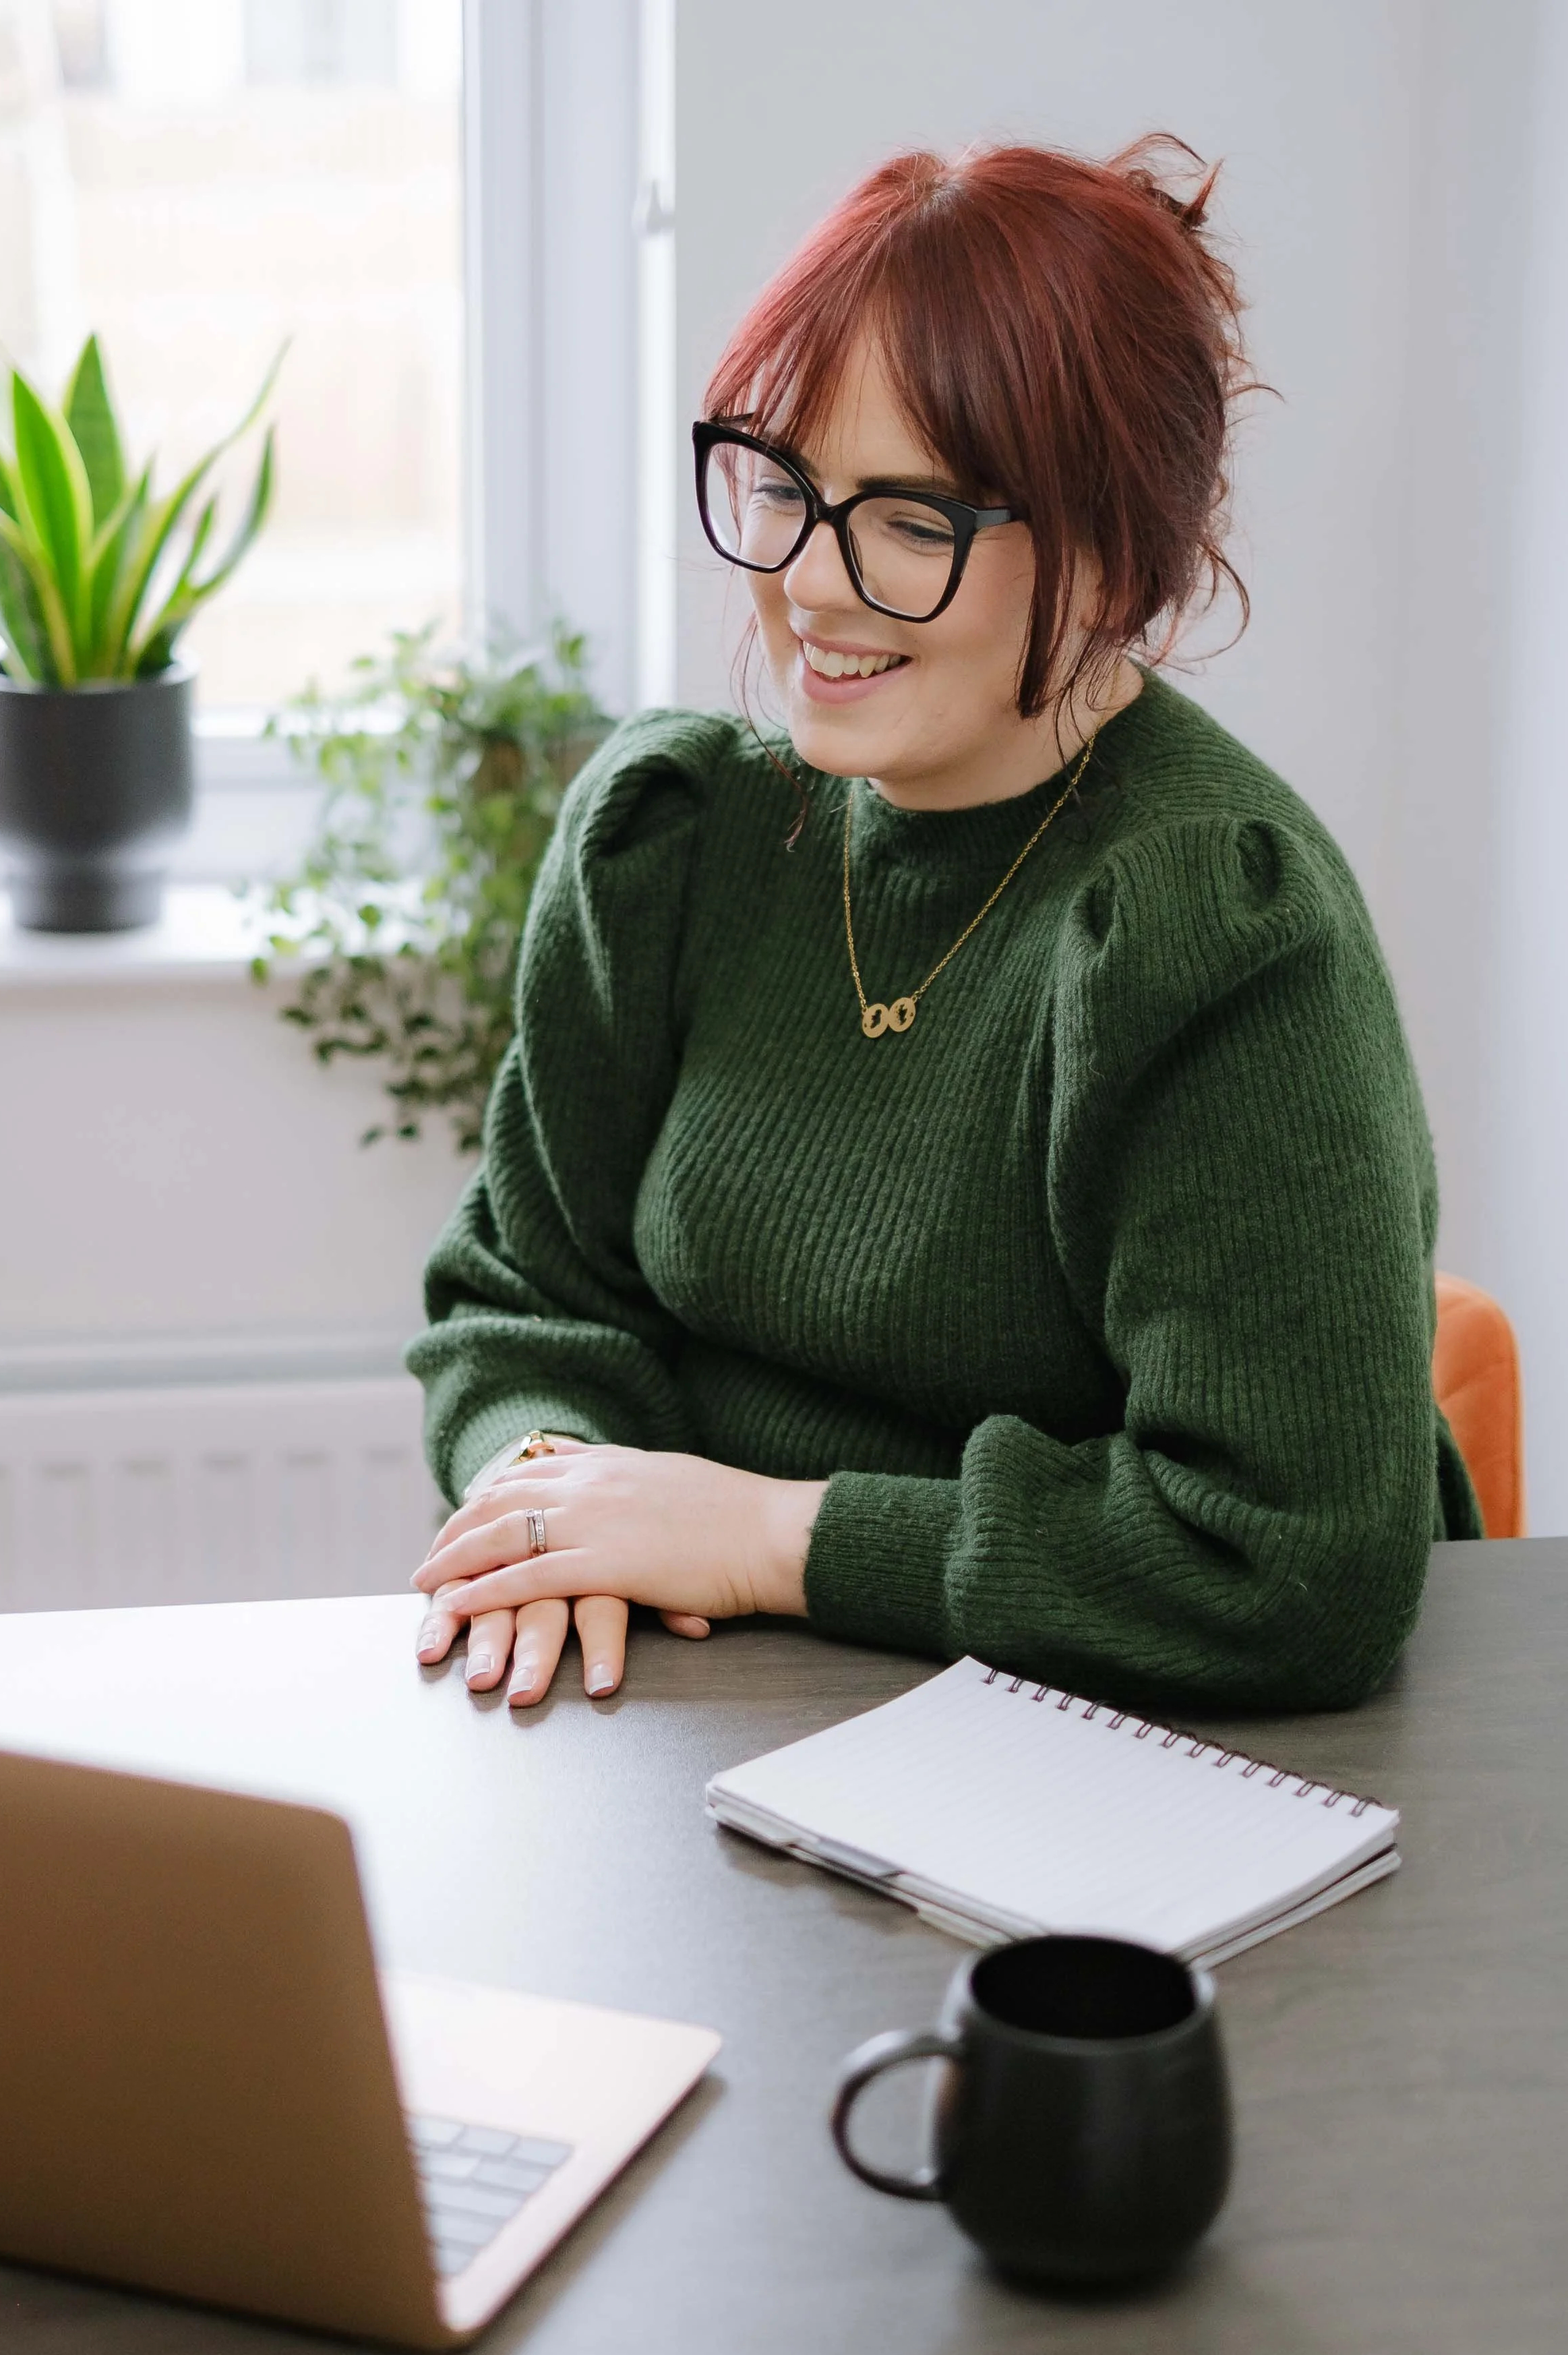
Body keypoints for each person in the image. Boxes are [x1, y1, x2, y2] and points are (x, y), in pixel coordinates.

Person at [406, 137, 1480, 1713]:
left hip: (1134, 1755)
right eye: (777, 485)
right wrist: (551, 1497)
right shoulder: (672, 844)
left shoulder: (1210, 933)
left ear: (1110, 555)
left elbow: (1290, 1563)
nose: (806, 589)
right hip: (705, 1709)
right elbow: (525, 1295)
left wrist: (769, 1535)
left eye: (908, 522)